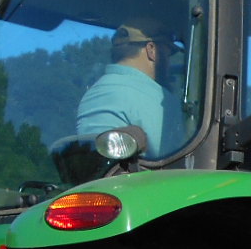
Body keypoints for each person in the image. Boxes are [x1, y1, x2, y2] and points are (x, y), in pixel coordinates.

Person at [75, 23, 182, 155]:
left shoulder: (94, 93)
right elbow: (182, 158)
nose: (168, 65)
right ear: (151, 50)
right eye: (166, 55)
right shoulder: (162, 100)